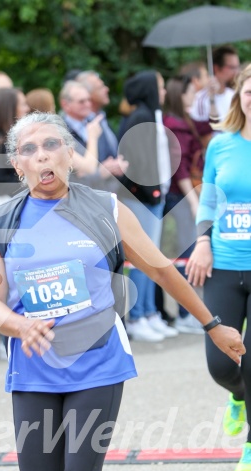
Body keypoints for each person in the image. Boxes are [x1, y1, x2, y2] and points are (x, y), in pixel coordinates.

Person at [0, 111, 245, 471]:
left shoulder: (104, 209)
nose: (42, 155)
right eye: (28, 149)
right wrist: (18, 325)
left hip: (97, 365)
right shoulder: (2, 221)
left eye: (51, 145)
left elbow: (163, 269)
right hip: (34, 369)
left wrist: (213, 324)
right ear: (17, 164)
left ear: (69, 154)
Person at [186, 64, 251, 471]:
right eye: (249, 90)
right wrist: (203, 242)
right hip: (222, 264)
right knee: (221, 365)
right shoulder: (221, 145)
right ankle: (239, 396)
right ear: (239, 96)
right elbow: (208, 200)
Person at [120, 70, 176, 341]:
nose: (164, 92)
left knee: (152, 258)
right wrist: (152, 191)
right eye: (161, 87)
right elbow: (137, 162)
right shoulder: (139, 117)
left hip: (155, 197)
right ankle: (138, 315)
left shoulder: (152, 116)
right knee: (143, 260)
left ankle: (151, 311)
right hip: (142, 199)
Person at [162, 75, 204, 334]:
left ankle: (188, 312)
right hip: (181, 196)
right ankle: (186, 313)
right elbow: (180, 168)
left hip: (183, 194)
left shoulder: (182, 122)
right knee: (186, 253)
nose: (194, 96)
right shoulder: (175, 126)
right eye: (191, 92)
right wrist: (193, 201)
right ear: (182, 95)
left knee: (186, 251)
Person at [190, 46, 240, 125]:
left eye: (237, 67)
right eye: (232, 67)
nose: (237, 72)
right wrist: (212, 100)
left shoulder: (234, 95)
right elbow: (204, 132)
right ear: (216, 68)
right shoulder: (201, 99)